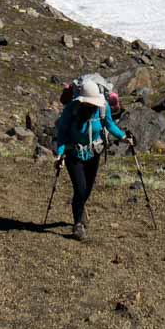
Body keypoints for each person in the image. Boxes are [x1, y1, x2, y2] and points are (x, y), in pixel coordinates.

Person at [53, 76, 130, 240]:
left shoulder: (103, 108)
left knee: (86, 190)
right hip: (74, 154)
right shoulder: (71, 109)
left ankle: (80, 208)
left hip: (94, 153)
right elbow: (62, 132)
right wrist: (60, 154)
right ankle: (78, 225)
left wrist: (123, 137)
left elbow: (109, 125)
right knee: (80, 189)